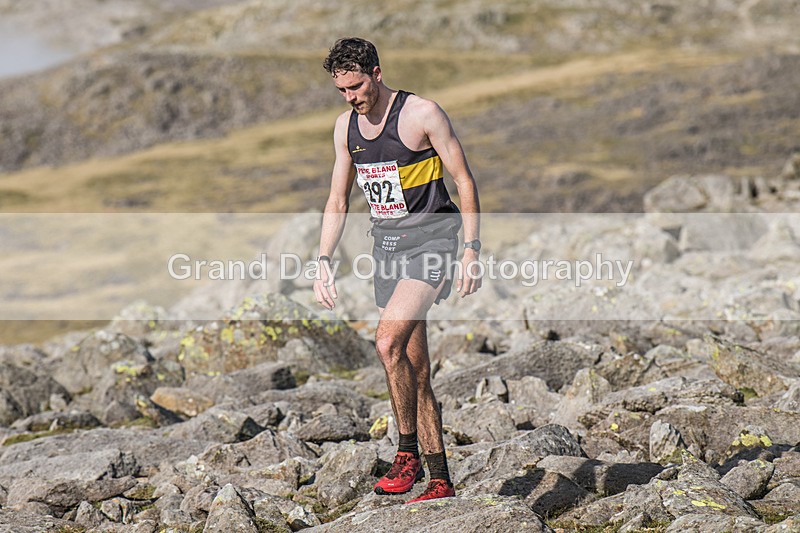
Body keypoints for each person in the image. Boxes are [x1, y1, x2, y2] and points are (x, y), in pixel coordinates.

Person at [313, 37, 482, 503]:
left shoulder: (422, 114)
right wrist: (323, 261)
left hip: (434, 243)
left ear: (377, 73)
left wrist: (471, 249)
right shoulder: (345, 128)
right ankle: (440, 478)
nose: (352, 97)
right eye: (342, 90)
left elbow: (463, 180)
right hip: (388, 248)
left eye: (357, 85)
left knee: (386, 341)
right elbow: (336, 199)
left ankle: (405, 454)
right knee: (413, 365)